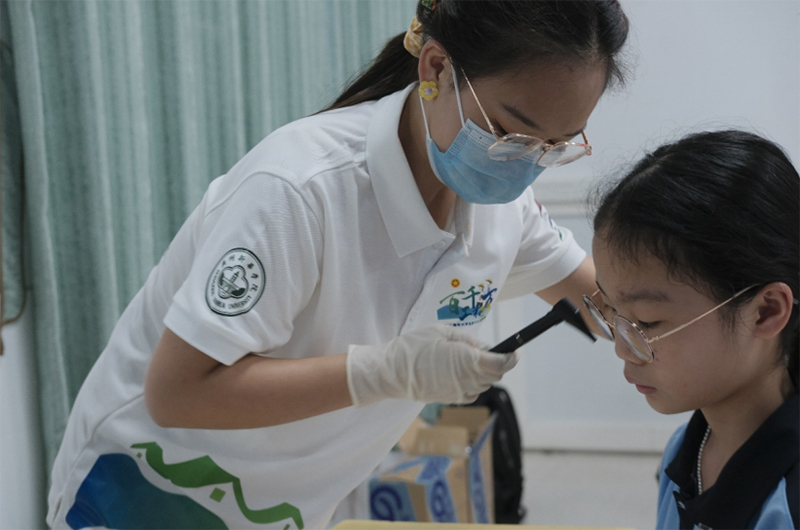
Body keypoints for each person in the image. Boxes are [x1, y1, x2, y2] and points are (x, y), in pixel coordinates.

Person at [47, 1, 629, 528]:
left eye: (556, 145)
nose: (525, 163)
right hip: (143, 489)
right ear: (435, 68)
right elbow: (177, 392)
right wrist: (382, 373)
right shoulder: (299, 189)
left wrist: (668, 315)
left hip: (284, 508)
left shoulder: (503, 212)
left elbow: (612, 301)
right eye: (508, 132)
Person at [585, 130, 799, 529]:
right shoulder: (684, 451)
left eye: (647, 321)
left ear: (766, 312)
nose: (622, 348)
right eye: (611, 311)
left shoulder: (787, 504)